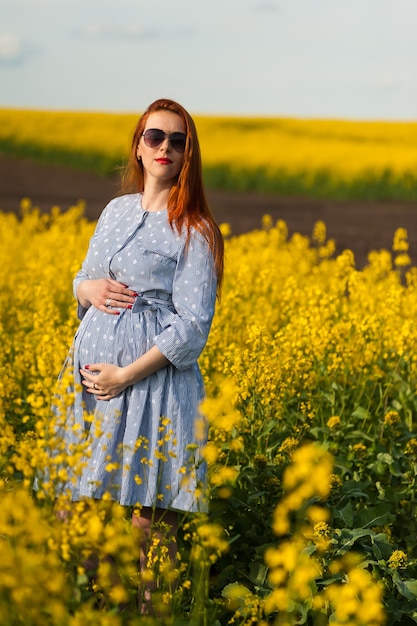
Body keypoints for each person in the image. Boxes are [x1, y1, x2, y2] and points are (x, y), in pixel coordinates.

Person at [48, 98, 224, 607]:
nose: (165, 147)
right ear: (139, 147)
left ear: (188, 153)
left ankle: (148, 614)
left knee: (148, 526)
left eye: (177, 140)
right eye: (155, 137)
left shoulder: (195, 228)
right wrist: (90, 291)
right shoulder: (115, 210)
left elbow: (192, 328)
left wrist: (126, 374)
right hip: (90, 385)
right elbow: (82, 278)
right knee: (72, 511)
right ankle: (103, 606)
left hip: (152, 387)